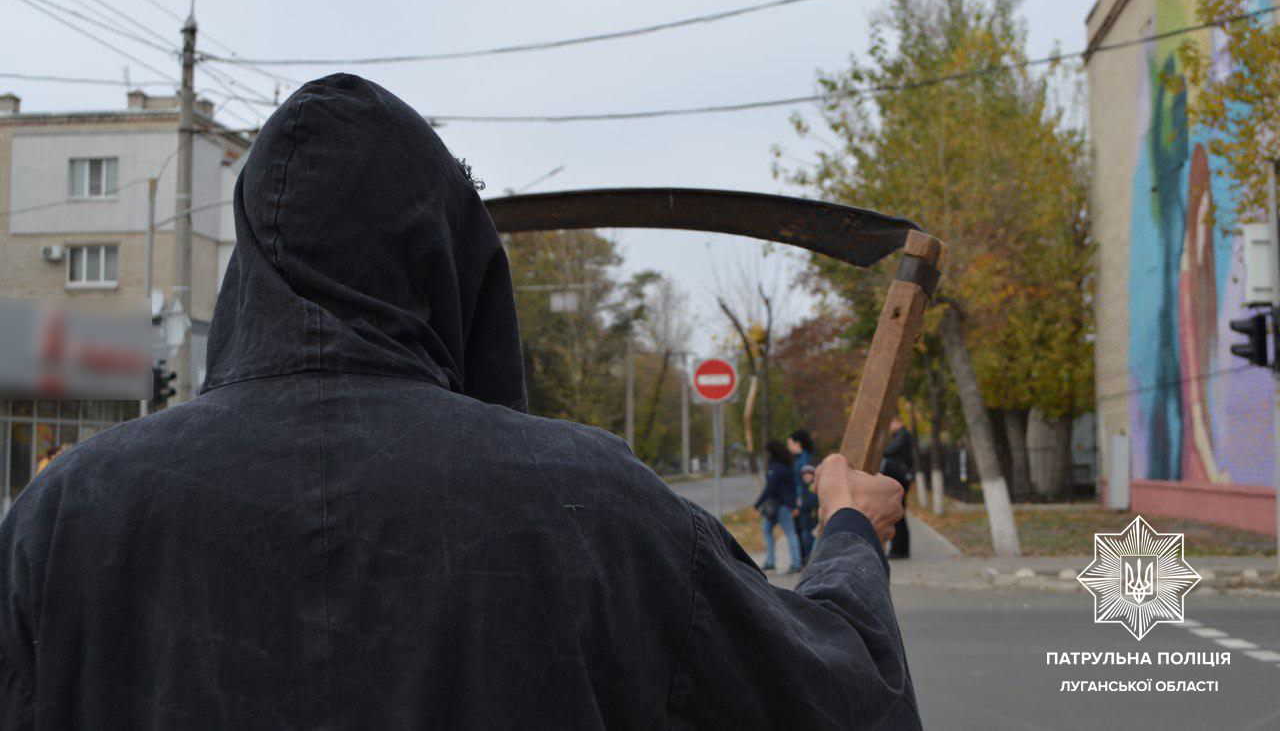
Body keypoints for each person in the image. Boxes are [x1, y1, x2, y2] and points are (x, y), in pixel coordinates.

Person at [0, 75, 919, 729]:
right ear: (446, 262)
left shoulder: (65, 512)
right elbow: (830, 697)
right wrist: (847, 536)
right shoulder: (591, 504)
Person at [754, 439, 804, 574]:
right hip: (784, 505)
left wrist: (757, 504)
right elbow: (793, 487)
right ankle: (771, 562)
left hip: (779, 505)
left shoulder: (776, 467)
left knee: (789, 532)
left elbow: (770, 488)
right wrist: (793, 504)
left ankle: (795, 563)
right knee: (769, 529)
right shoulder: (787, 465)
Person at [882, 416, 917, 559]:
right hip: (900, 477)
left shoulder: (903, 435)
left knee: (898, 514)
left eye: (891, 423)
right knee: (898, 514)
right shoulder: (900, 435)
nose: (889, 427)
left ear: (898, 422)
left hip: (900, 478)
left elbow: (889, 451)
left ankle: (899, 549)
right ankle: (900, 549)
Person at [787, 428, 815, 558]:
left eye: (790, 444)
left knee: (805, 531)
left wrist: (799, 500)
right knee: (802, 530)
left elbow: (805, 483)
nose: (788, 447)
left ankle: (809, 558)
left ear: (797, 443)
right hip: (804, 500)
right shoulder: (801, 459)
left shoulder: (804, 460)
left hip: (805, 501)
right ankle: (806, 557)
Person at [796, 463, 820, 563]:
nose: (807, 477)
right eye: (804, 475)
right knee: (806, 542)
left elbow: (812, 503)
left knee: (814, 544)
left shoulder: (814, 487)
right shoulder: (802, 489)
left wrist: (802, 504)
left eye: (809, 474)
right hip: (805, 521)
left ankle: (813, 563)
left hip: (814, 522)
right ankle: (809, 563)